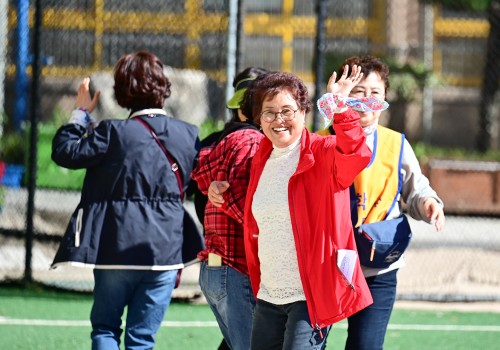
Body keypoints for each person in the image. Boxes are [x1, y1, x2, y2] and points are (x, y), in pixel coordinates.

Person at [209, 67, 374, 349]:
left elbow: (356, 153)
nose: (279, 119)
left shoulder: (322, 152)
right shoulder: (261, 157)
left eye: (287, 110)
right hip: (269, 294)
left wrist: (339, 107)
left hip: (309, 297)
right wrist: (216, 190)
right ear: (258, 119)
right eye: (269, 112)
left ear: (303, 112)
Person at [50, 51, 200, 349]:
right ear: (163, 87)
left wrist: (81, 113)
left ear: (120, 92)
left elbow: (65, 151)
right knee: (141, 339)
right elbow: (195, 185)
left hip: (115, 247)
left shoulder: (112, 132)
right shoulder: (189, 135)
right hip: (165, 251)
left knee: (105, 330)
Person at [317, 55, 446, 350]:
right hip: (326, 264)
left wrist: (428, 203)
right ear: (343, 94)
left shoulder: (395, 143)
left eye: (374, 92)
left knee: (366, 346)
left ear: (385, 97)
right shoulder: (320, 141)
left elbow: (416, 189)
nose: (366, 99)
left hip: (377, 266)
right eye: (358, 91)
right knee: (310, 344)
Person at [190, 66, 268, 350]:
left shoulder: (226, 139)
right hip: (237, 265)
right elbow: (241, 206)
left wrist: (212, 190)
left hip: (217, 264)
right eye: (269, 109)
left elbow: (199, 172)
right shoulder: (252, 141)